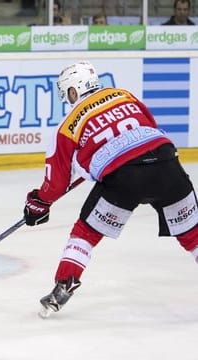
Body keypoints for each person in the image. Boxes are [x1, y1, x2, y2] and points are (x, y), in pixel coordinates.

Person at [23, 61, 198, 317]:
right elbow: (149, 127)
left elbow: (56, 183)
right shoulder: (124, 95)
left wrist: (39, 202)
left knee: (86, 233)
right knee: (193, 235)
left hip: (124, 177)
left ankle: (64, 285)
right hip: (167, 163)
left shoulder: (68, 124)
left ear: (73, 91)